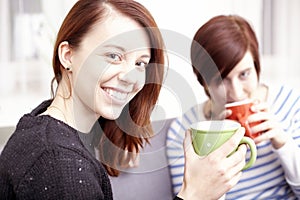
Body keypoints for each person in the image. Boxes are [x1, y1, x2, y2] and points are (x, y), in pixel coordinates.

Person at [0, 1, 245, 199]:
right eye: (114, 55)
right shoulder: (58, 163)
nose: (130, 77)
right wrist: (194, 195)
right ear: (67, 55)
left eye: (140, 63)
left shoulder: (43, 126)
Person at [167, 14, 300, 199]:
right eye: (221, 80)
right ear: (203, 82)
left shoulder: (290, 104)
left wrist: (284, 143)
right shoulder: (183, 130)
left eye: (244, 74)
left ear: (256, 67)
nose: (236, 93)